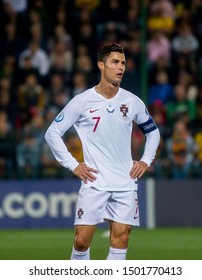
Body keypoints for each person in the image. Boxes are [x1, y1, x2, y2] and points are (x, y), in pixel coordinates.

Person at [44, 43, 160, 260]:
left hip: (125, 181)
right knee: (81, 241)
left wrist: (145, 160)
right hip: (94, 181)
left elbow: (153, 132)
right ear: (101, 65)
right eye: (115, 62)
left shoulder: (132, 102)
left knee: (121, 239)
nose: (120, 68)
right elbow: (52, 133)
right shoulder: (82, 101)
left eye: (123, 63)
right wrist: (73, 164)